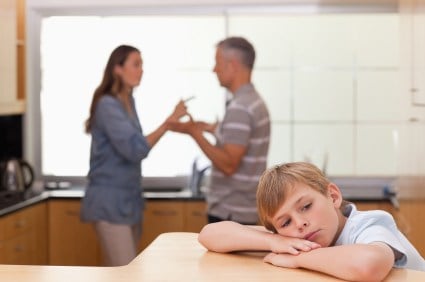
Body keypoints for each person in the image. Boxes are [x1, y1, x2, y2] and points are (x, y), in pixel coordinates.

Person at [198, 162, 425, 281]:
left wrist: (299, 259)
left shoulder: (369, 225)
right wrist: (273, 241)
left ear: (333, 196)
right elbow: (209, 234)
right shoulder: (291, 238)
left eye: (306, 207)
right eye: (285, 222)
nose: (299, 224)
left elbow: (368, 265)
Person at [80, 45, 188, 266]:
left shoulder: (128, 101)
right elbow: (135, 149)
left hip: (129, 201)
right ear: (118, 69)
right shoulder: (108, 105)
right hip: (110, 202)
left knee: (122, 270)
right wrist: (168, 123)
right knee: (126, 272)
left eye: (142, 65)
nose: (141, 70)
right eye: (136, 64)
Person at [169, 36, 270, 225]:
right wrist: (211, 129)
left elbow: (228, 164)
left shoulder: (240, 107)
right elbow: (238, 143)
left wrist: (195, 133)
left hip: (231, 212)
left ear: (232, 65)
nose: (214, 69)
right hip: (243, 210)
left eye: (217, 63)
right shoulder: (253, 101)